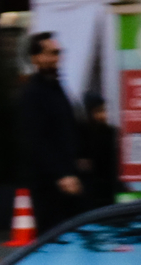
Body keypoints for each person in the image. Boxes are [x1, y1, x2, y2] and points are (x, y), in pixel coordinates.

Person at [16, 32, 87, 231]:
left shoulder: (57, 89)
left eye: (58, 53)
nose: (56, 58)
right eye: (51, 53)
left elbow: (67, 128)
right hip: (50, 184)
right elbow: (36, 140)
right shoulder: (32, 94)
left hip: (69, 176)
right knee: (56, 236)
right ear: (35, 58)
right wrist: (61, 174)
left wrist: (80, 157)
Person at [79, 90, 120, 211]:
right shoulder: (82, 135)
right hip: (91, 195)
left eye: (104, 110)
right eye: (98, 111)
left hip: (108, 192)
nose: (103, 116)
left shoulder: (110, 133)